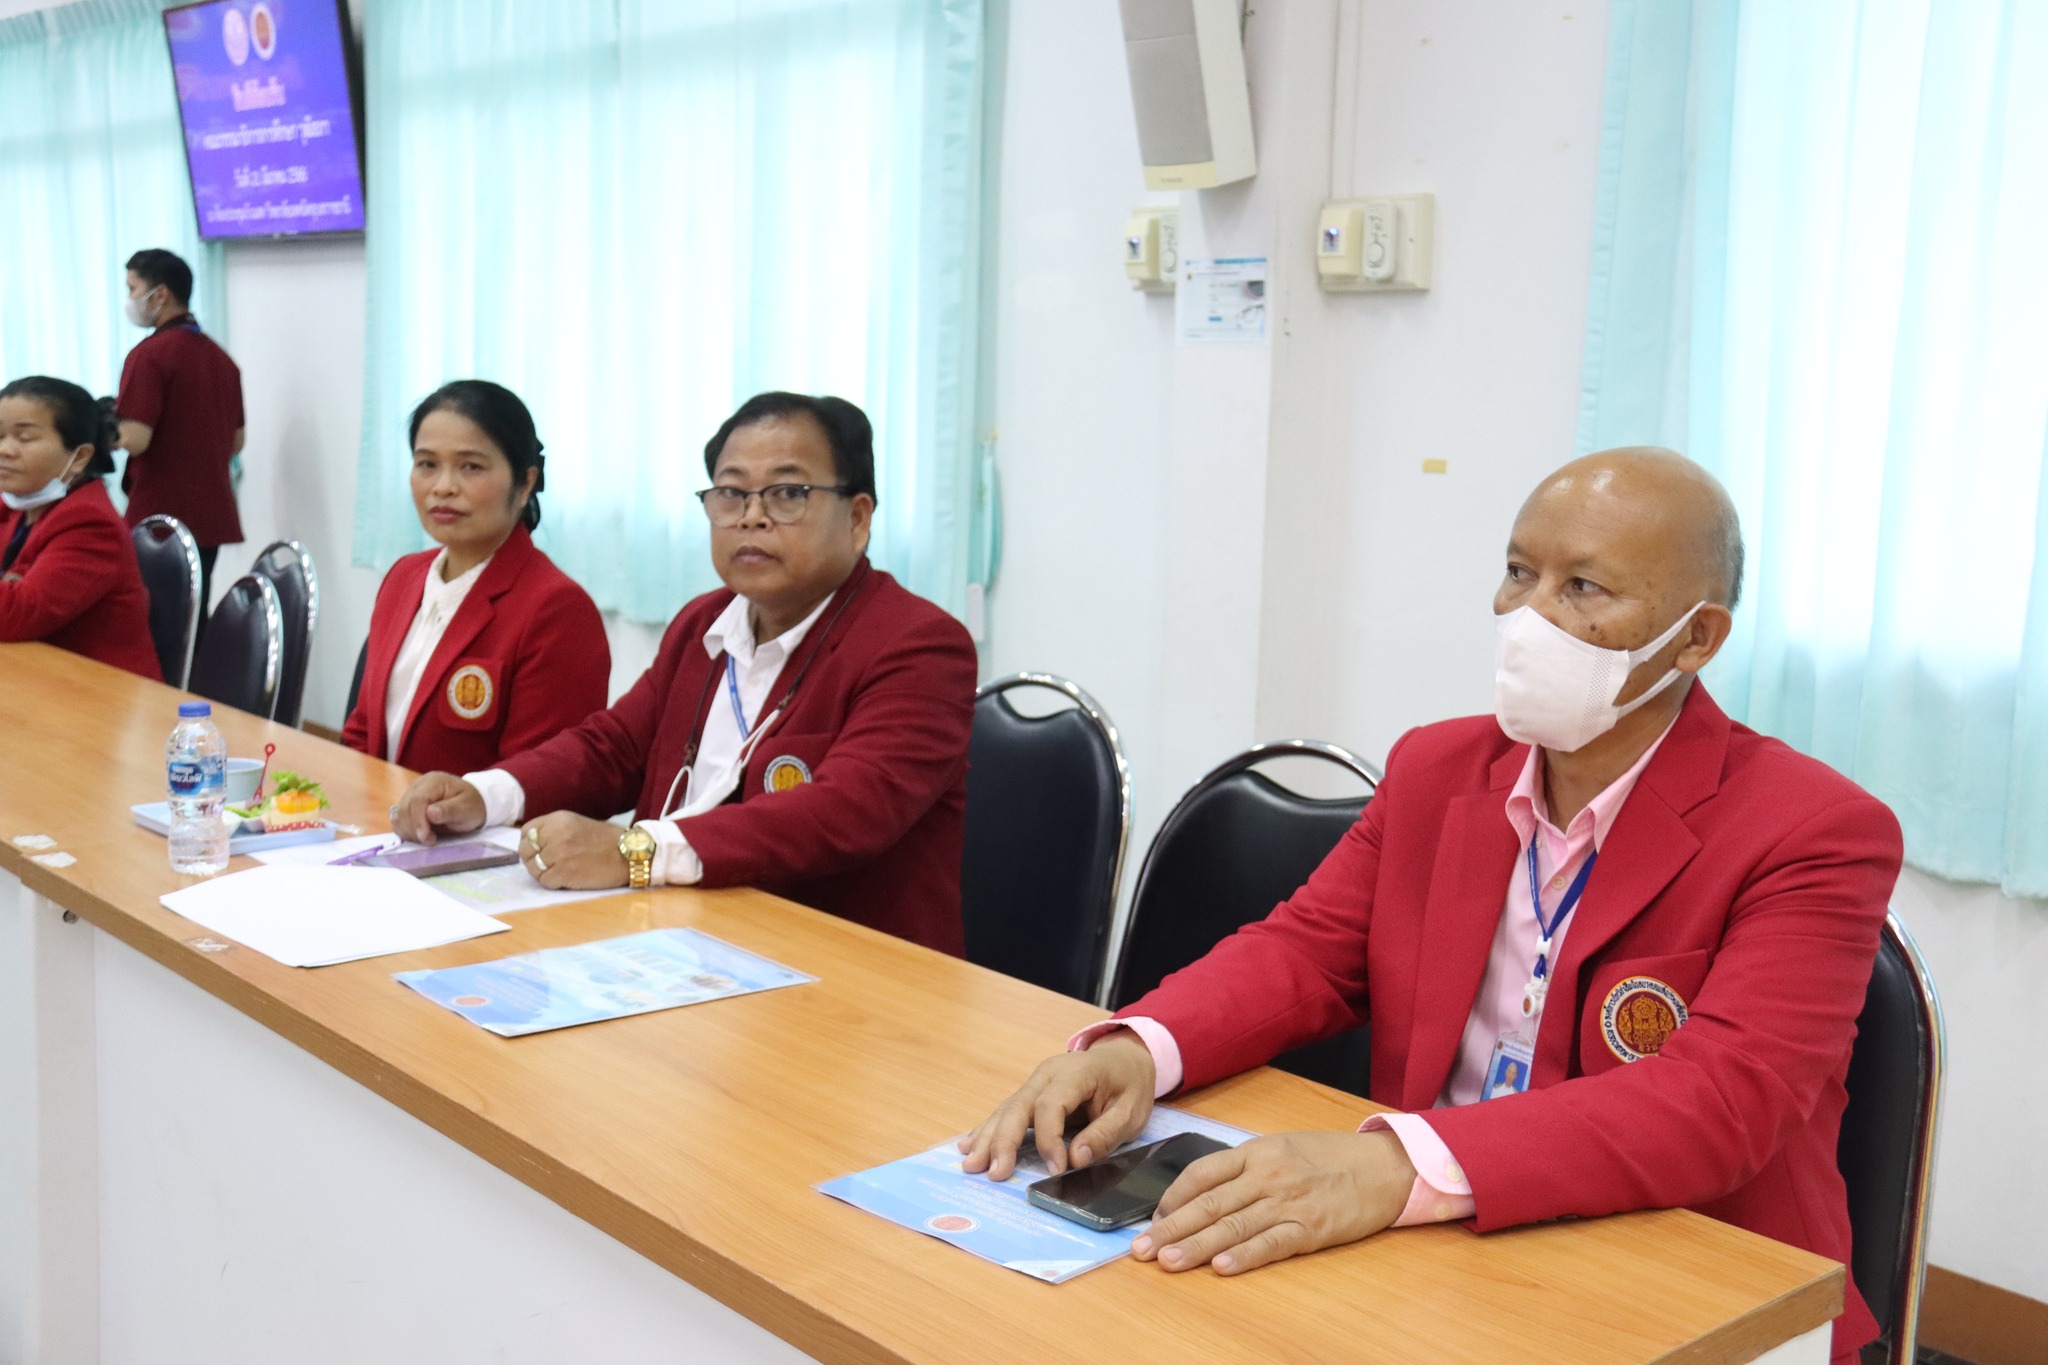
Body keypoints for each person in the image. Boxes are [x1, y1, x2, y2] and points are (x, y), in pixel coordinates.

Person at [959, 449, 1901, 1365]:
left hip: (1684, 1281)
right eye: (1520, 572)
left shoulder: (1814, 828)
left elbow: (1722, 1100)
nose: (1531, 614)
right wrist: (1137, 1045)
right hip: (1440, 1253)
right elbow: (1307, 949)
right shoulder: (1437, 768)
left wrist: (1400, 1163)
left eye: (1583, 587)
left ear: (1697, 639)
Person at [390, 392, 977, 956]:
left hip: (838, 970)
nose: (752, 518)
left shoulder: (918, 645)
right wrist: (484, 794)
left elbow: (843, 812)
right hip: (677, 945)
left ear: (857, 518)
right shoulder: (704, 622)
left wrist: (636, 852)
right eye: (731, 494)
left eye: (788, 494)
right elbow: (612, 748)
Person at [341, 380, 609, 774]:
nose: (443, 487)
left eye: (471, 467)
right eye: (427, 464)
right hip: (378, 810)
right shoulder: (403, 577)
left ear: (525, 482)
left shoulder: (557, 610)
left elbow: (541, 781)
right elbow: (362, 733)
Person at [0, 376, 163, 680]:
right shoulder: (13, 506)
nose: (5, 450)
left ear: (80, 457)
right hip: (37, 676)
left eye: (24, 438)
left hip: (100, 693)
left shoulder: (91, 524)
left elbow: (14, 615)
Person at [114, 248, 246, 614]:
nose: (129, 299)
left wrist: (106, 430)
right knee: (192, 619)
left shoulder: (149, 355)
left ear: (159, 295)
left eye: (132, 288)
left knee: (156, 621)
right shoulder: (221, 359)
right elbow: (237, 441)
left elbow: (135, 439)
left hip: (159, 520)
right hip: (210, 517)